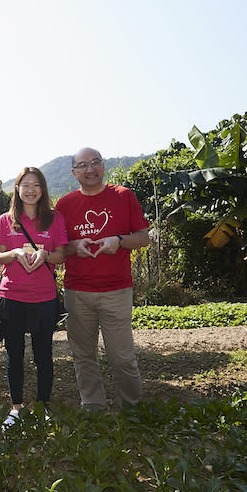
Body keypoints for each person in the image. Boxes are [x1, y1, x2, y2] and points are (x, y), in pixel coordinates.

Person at [55, 148, 150, 412]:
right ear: (74, 173)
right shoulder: (64, 205)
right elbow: (58, 250)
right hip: (77, 292)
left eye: (95, 162)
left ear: (103, 166)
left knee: (121, 356)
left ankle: (130, 408)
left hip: (116, 290)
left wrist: (118, 241)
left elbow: (143, 237)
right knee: (83, 355)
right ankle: (93, 407)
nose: (90, 169)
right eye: (83, 165)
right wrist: (76, 246)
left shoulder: (123, 196)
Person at [0, 167, 67, 429]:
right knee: (14, 354)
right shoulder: (6, 220)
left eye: (36, 185)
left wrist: (45, 256)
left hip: (44, 297)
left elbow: (61, 255)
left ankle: (42, 407)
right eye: (26, 185)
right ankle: (16, 408)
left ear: (43, 190)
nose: (31, 190)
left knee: (44, 354)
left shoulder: (54, 219)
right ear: (17, 189)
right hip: (12, 296)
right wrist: (14, 253)